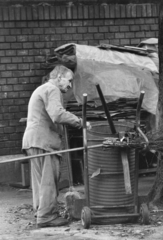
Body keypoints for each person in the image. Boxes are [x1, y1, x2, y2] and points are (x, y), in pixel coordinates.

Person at [22, 65, 90, 228]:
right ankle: (46, 217)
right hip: (43, 140)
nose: (70, 86)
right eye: (69, 80)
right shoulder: (53, 90)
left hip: (33, 139)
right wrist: (81, 122)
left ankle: (41, 212)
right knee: (48, 181)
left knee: (40, 181)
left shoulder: (42, 89)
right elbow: (57, 114)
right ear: (59, 76)